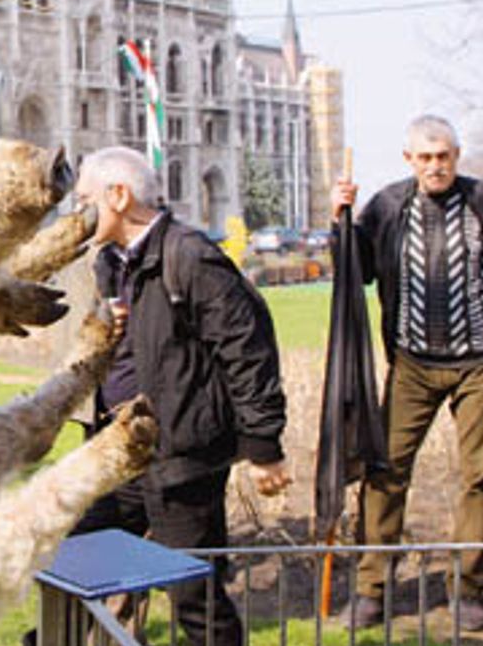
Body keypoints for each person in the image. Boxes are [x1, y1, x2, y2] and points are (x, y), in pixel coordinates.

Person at [33, 146, 291, 646]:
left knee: (196, 598)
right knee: (72, 558)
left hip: (180, 460)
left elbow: (249, 351)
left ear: (119, 196)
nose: (78, 215)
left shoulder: (189, 256)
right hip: (121, 450)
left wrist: (264, 447)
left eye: (86, 201)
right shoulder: (112, 263)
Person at [332, 115, 483, 631]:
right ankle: (372, 588)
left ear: (456, 156)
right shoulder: (387, 206)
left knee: (479, 475)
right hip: (412, 364)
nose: (435, 166)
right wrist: (341, 221)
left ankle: (469, 588)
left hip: (481, 364)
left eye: (443, 156)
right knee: (385, 472)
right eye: (425, 157)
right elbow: (356, 269)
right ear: (409, 161)